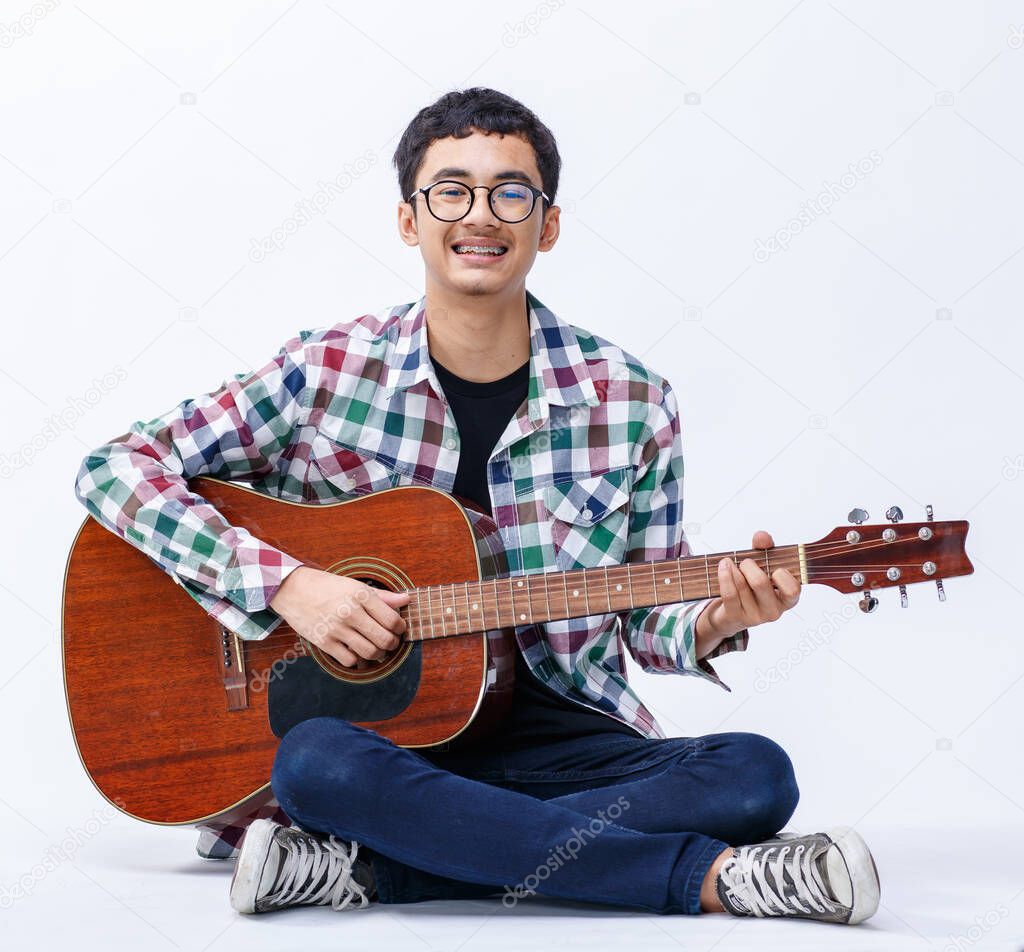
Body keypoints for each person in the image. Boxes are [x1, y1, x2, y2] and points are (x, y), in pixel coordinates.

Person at [73, 87, 880, 924]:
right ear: (409, 220)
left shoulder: (632, 400)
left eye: (511, 193)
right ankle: (714, 882)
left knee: (755, 776)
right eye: (451, 191)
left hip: (557, 735)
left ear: (547, 224)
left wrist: (716, 617)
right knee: (317, 765)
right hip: (372, 737)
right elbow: (116, 468)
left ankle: (367, 867)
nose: (481, 215)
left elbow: (645, 619)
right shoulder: (327, 371)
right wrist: (286, 585)